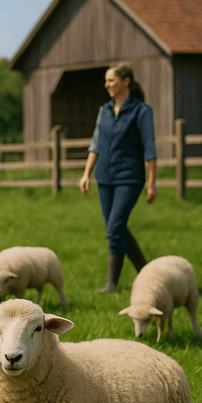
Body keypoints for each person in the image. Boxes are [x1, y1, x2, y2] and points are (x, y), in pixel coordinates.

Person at [79, 63, 157, 292]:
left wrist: (152, 181)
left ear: (126, 81)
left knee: (115, 228)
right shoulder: (104, 110)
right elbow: (95, 144)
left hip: (129, 177)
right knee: (117, 229)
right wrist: (86, 174)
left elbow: (149, 147)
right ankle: (148, 274)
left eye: (111, 80)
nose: (107, 85)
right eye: (106, 81)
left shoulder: (142, 111)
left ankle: (111, 284)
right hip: (105, 176)